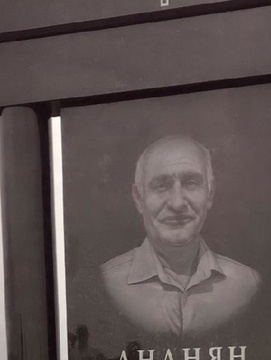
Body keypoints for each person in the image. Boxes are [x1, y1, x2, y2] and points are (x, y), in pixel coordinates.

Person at [100, 135, 260, 339]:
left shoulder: (247, 284)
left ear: (210, 194)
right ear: (139, 198)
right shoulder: (105, 284)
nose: (177, 204)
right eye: (161, 185)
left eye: (191, 183)